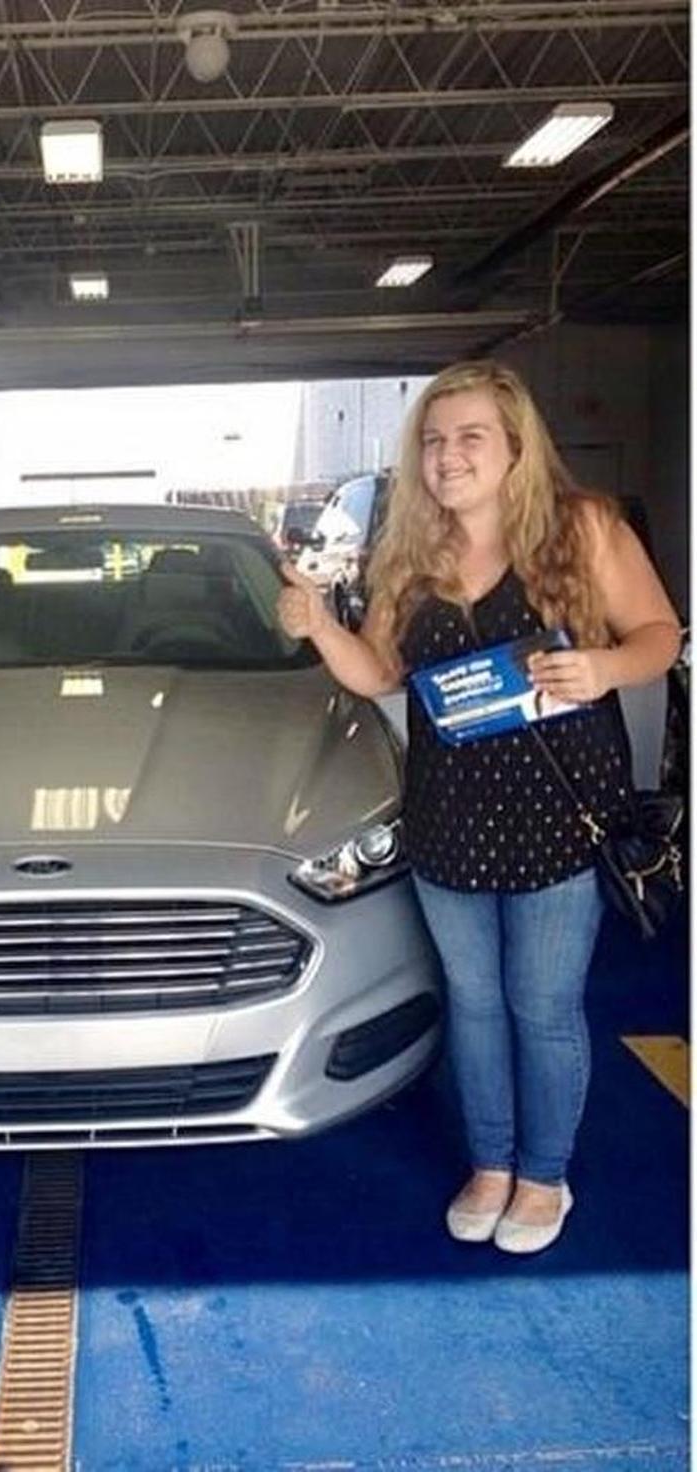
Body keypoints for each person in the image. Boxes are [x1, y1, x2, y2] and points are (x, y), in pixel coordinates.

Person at [278, 359, 680, 1254]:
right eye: (432, 441)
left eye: (469, 439)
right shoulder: (410, 556)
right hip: (450, 818)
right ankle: (492, 1165)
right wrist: (319, 629)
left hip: (556, 819)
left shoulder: (585, 531)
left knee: (542, 1005)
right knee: (475, 1003)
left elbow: (660, 636)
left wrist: (604, 669)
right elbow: (381, 675)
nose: (447, 457)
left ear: (514, 448)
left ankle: (545, 1177)